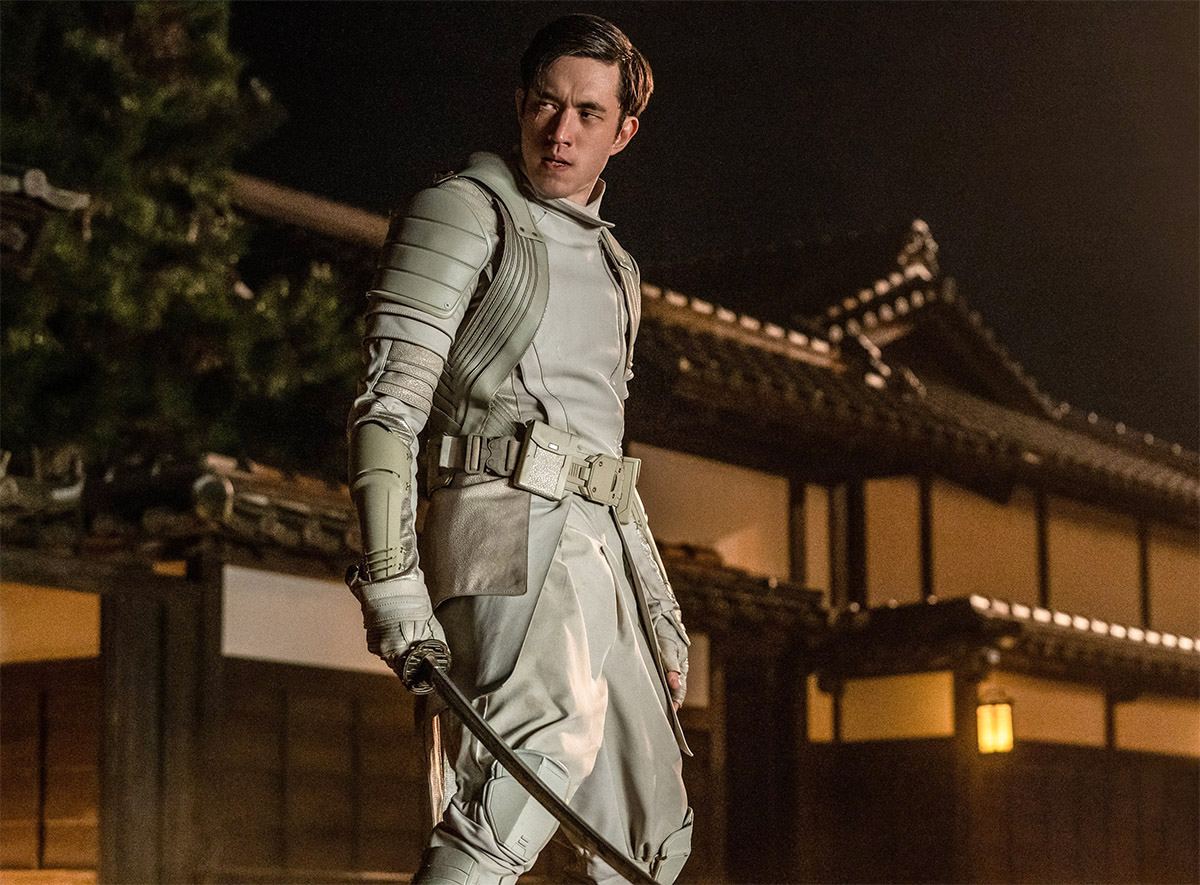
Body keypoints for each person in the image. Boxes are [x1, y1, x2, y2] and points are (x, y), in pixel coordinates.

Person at [346, 14, 692, 884]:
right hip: (501, 527)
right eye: (546, 103)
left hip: (600, 546)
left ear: (624, 131)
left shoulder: (615, 264)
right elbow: (388, 406)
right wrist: (392, 580)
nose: (561, 130)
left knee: (649, 828)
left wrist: (655, 602)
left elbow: (607, 457)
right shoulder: (462, 211)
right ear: (520, 103)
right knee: (523, 771)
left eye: (587, 112)